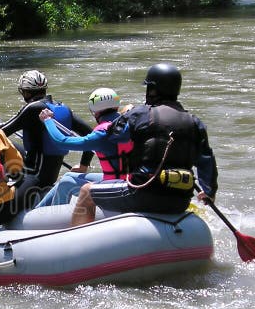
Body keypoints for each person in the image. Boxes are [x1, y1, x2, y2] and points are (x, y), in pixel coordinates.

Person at [70, 63, 218, 225]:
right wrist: (209, 190)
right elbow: (206, 159)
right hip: (180, 201)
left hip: (142, 194)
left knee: (86, 192)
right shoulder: (194, 122)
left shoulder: (140, 114)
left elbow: (114, 135)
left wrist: (126, 115)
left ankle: (74, 246)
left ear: (153, 90)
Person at [0, 70, 93, 207]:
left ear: (26, 92)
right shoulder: (63, 108)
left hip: (33, 176)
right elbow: (90, 135)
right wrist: (83, 165)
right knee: (12, 145)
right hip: (50, 176)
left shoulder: (32, 108)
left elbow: (0, 132)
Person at [35, 87, 132, 207]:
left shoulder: (102, 134)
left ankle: (50, 220)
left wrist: (48, 120)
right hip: (124, 181)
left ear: (95, 111)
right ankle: (38, 210)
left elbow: (61, 141)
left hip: (118, 188)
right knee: (69, 175)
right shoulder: (128, 123)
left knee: (66, 182)